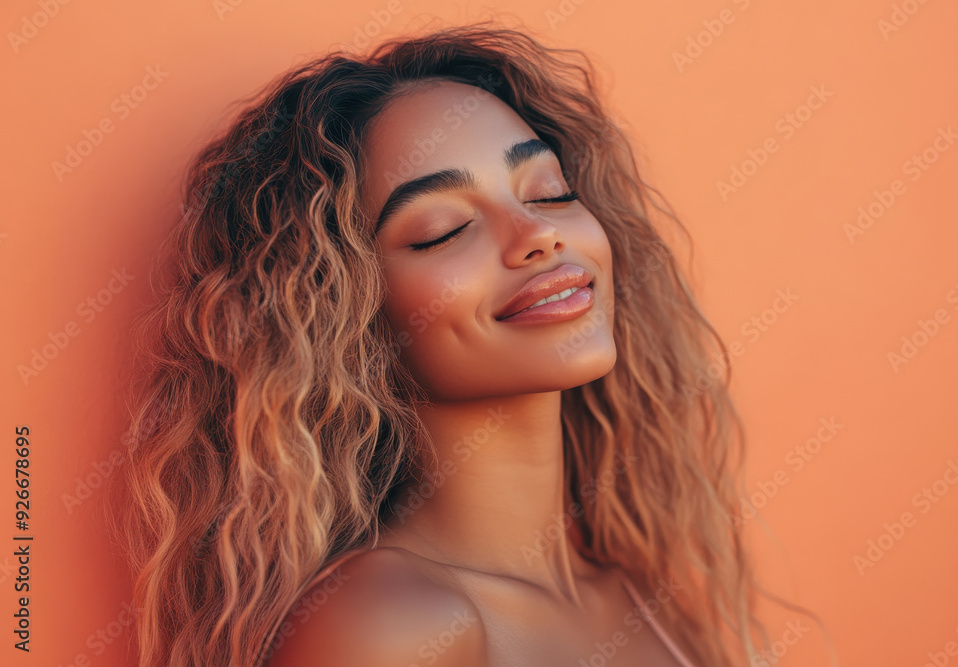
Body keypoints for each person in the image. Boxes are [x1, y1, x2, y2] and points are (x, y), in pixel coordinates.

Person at [110, 19, 830, 667]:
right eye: (443, 229)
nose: (539, 234)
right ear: (344, 313)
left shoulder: (638, 589)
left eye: (548, 191)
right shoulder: (389, 626)